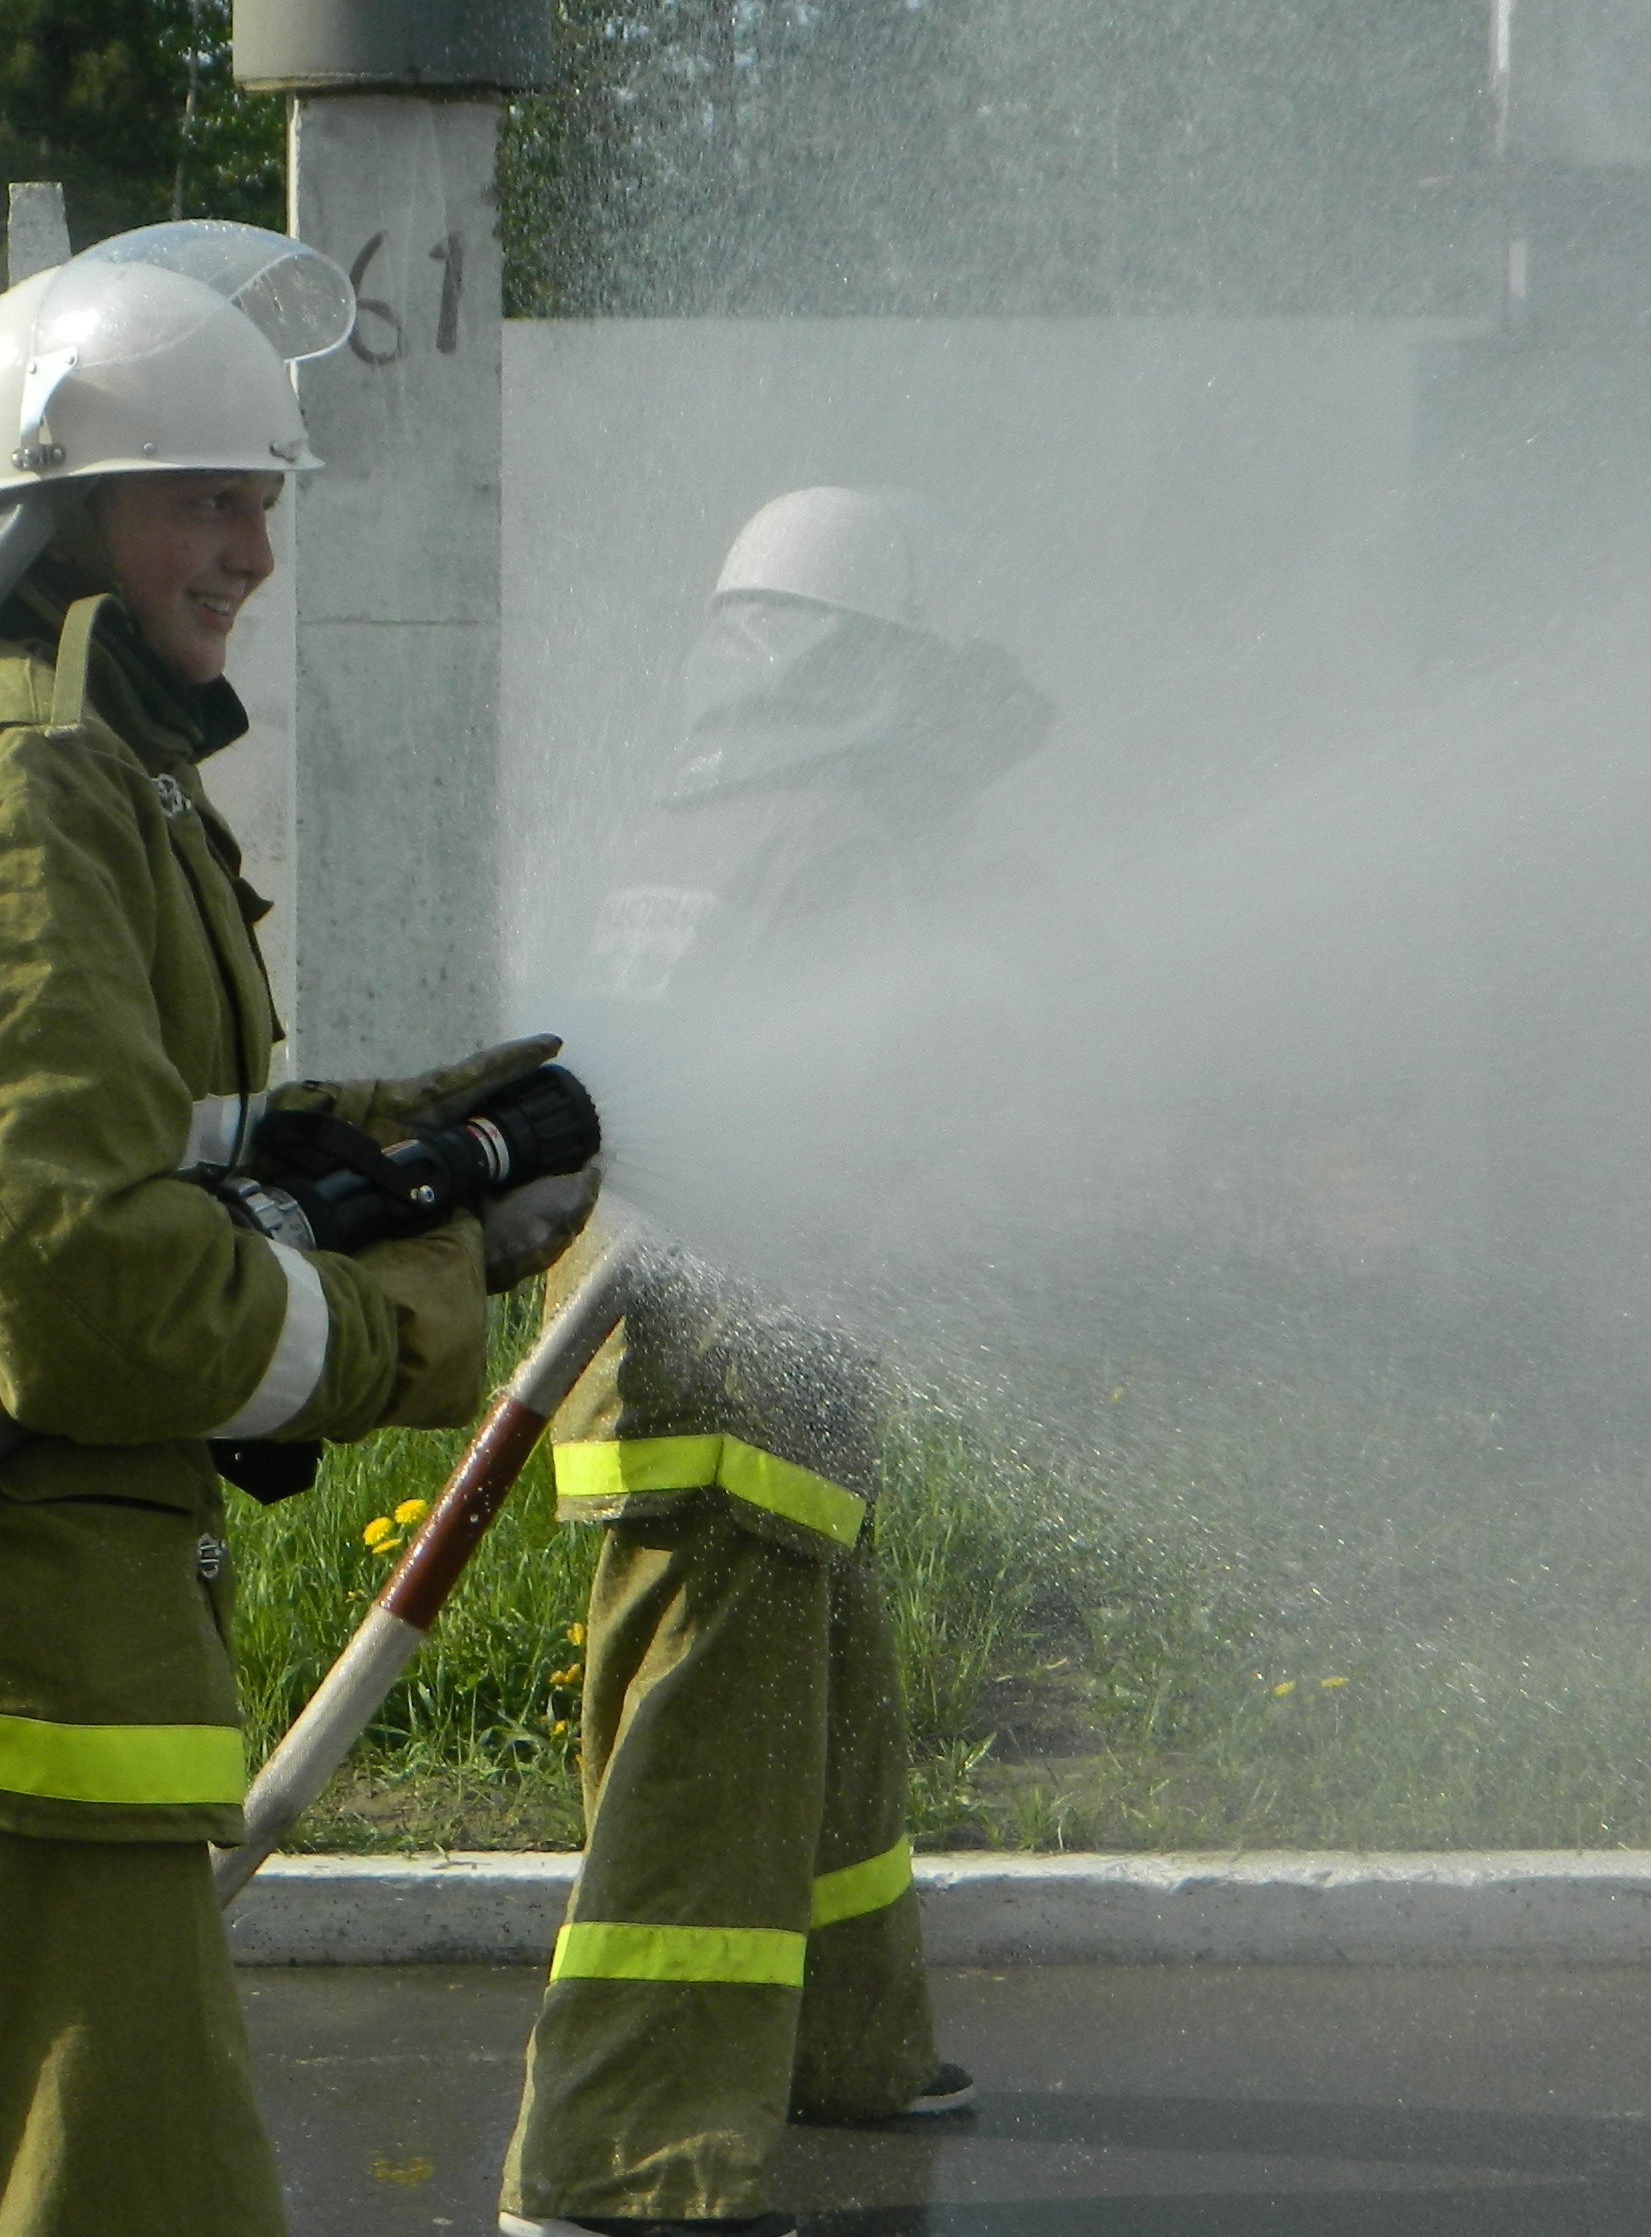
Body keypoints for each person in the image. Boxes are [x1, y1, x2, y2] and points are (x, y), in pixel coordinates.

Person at [0, 225, 591, 2237]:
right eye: (201, 501)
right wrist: (403, 1307)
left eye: (262, 500)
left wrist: (374, 1151)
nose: (251, 550)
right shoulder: (24, 786)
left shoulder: (51, 751)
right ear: (58, 514)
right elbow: (79, 1280)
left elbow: (85, 1129)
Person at [500, 487, 1050, 2237]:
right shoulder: (840, 841)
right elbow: (895, 1092)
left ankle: (848, 2039)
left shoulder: (680, 822)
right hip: (746, 1345)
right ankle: (620, 2155)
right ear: (876, 664)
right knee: (709, 1751)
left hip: (652, 1326)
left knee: (824, 1682)